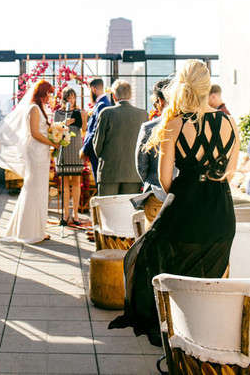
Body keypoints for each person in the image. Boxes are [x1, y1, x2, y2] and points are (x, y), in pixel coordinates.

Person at [109, 59, 240, 347]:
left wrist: (187, 192)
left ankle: (179, 337)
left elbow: (164, 179)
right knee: (210, 282)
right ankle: (204, 341)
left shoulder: (175, 122)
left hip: (185, 212)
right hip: (221, 214)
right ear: (207, 87)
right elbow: (229, 172)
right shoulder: (229, 122)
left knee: (165, 269)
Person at [3, 80, 58, 243]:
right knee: (34, 189)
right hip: (36, 152)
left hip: (40, 152)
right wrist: (53, 143)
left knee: (38, 189)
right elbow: (34, 132)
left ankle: (35, 230)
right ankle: (29, 232)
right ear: (43, 93)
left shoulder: (37, 108)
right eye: (49, 93)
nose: (50, 97)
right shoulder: (33, 108)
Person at [93, 79, 148, 196]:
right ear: (130, 95)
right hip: (133, 174)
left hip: (108, 172)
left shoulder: (106, 113)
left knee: (107, 207)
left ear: (113, 96)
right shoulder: (143, 115)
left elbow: (97, 146)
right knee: (128, 207)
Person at [134, 79, 171, 228]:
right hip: (183, 197)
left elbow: (141, 165)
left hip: (156, 194)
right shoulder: (189, 126)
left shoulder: (149, 127)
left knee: (153, 238)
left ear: (160, 101)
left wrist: (150, 181)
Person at [53, 87, 87, 225]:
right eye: (69, 97)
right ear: (64, 98)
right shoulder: (58, 113)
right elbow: (53, 130)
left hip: (76, 148)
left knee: (76, 182)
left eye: (73, 97)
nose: (71, 100)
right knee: (65, 182)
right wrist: (64, 124)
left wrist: (84, 118)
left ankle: (76, 214)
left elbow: (84, 129)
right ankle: (66, 214)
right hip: (63, 149)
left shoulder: (79, 112)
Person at [81, 78, 111, 182]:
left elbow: (96, 131)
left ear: (93, 89)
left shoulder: (102, 105)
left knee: (100, 183)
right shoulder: (104, 103)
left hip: (97, 153)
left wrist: (85, 149)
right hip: (97, 152)